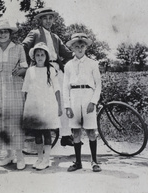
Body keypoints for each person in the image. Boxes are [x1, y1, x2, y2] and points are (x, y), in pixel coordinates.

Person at [22, 7, 73, 138]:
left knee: (63, 98)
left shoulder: (55, 37)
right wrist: (26, 65)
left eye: (51, 18)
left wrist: (81, 56)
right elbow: (23, 47)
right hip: (41, 71)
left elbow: (67, 53)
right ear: (40, 20)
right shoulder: (35, 33)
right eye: (45, 18)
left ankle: (66, 135)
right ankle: (42, 132)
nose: (48, 21)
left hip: (56, 70)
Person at [0, 19, 28, 170]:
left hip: (14, 86)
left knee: (15, 119)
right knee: (1, 120)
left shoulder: (18, 48)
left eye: (5, 31)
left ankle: (20, 156)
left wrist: (18, 71)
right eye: (0, 32)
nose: (3, 34)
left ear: (10, 33)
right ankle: (9, 155)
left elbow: (24, 67)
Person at [63, 33, 102, 172]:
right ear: (72, 48)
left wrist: (93, 101)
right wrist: (67, 106)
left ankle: (94, 162)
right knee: (76, 132)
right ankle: (78, 162)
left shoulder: (92, 63)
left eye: (82, 46)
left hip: (87, 96)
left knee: (91, 131)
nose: (79, 49)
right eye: (76, 46)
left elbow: (98, 85)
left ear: (86, 47)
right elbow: (65, 86)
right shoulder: (68, 65)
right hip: (74, 97)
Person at [22, 42, 62, 170]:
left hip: (48, 105)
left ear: (46, 57)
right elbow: (25, 90)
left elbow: (57, 89)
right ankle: (39, 158)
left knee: (47, 133)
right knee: (37, 134)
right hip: (34, 106)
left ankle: (46, 159)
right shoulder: (30, 71)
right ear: (34, 57)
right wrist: (25, 108)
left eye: (42, 55)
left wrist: (59, 106)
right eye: (37, 55)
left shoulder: (51, 70)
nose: (40, 57)